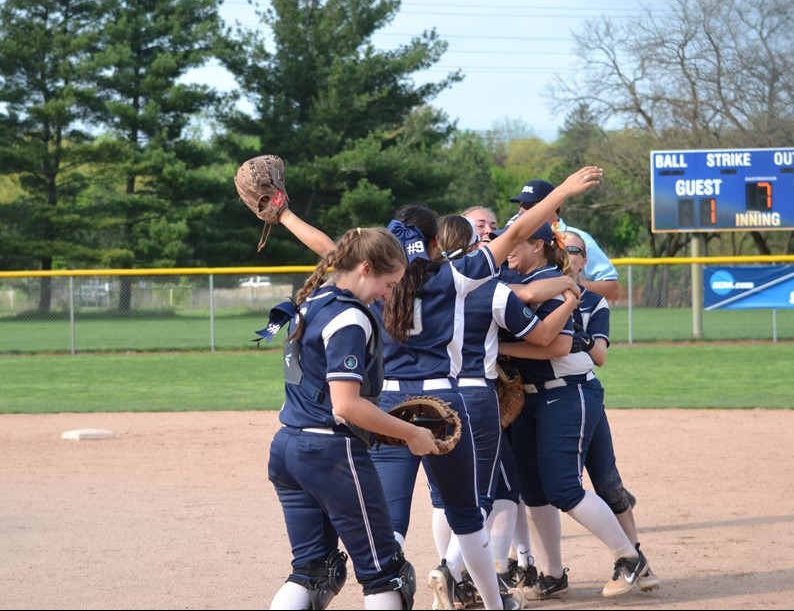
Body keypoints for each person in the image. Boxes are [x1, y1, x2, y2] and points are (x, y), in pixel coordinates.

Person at [273, 166, 605, 611]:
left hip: (386, 403)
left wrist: (284, 215)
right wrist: (562, 191)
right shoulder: (460, 274)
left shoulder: (372, 276)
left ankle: (389, 564)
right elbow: (522, 228)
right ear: (434, 243)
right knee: (468, 511)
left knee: (387, 514)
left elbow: (332, 251)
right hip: (447, 403)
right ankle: (493, 601)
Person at [266, 227, 439, 611]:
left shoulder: (316, 297)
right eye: (389, 283)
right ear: (365, 268)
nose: (389, 294)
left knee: (314, 570)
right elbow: (346, 406)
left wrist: (286, 215)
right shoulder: (349, 319)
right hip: (330, 453)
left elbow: (334, 251)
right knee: (386, 573)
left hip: (288, 447)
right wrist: (412, 433)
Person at [422, 215, 580, 610]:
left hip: (425, 399)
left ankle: (458, 577)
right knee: (495, 493)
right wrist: (570, 291)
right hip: (475, 395)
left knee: (443, 496)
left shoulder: (416, 285)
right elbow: (543, 334)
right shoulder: (486, 288)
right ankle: (456, 571)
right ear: (473, 249)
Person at [497, 221, 650, 599]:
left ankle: (630, 559)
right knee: (532, 492)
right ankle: (552, 574)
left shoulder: (553, 283)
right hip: (529, 398)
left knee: (563, 487)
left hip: (565, 394)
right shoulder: (523, 281)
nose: (508, 249)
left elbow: (557, 347)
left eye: (517, 242)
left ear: (538, 246)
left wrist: (500, 351)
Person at [510, 179, 621, 302]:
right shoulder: (518, 239)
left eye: (528, 205)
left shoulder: (578, 240)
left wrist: (572, 284)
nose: (521, 211)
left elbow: (613, 290)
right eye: (520, 205)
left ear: (553, 205)